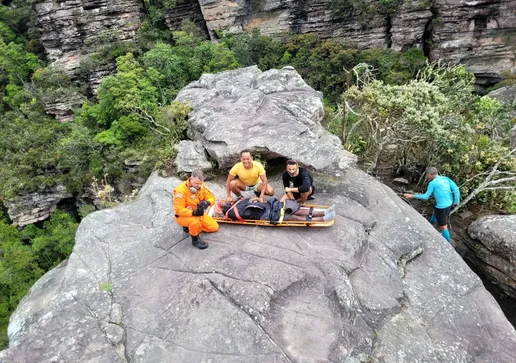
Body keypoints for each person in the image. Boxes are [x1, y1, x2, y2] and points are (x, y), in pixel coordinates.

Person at [403, 167, 460, 242]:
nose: (427, 176)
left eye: (427, 175)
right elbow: (456, 189)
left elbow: (426, 197)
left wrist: (413, 195)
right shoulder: (446, 179)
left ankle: (448, 244)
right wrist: (456, 202)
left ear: (430, 175)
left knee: (443, 227)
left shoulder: (432, 183)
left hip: (442, 208)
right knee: (435, 213)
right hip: (449, 204)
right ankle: (429, 225)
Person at [173, 169, 218, 249]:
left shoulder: (202, 186)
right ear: (191, 178)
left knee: (214, 227)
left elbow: (212, 197)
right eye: (196, 183)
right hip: (183, 216)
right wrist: (193, 213)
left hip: (198, 213)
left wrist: (207, 202)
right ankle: (195, 240)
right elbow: (179, 210)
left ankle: (190, 227)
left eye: (200, 183)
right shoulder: (180, 191)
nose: (198, 186)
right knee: (194, 222)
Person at [211, 197, 335, 223]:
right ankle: (322, 218)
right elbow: (246, 215)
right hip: (264, 215)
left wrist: (254, 201)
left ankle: (322, 212)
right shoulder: (231, 212)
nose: (224, 200)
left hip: (267, 208)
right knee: (289, 216)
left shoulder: (237, 202)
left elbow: (253, 199)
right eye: (221, 203)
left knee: (290, 208)